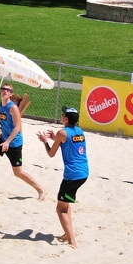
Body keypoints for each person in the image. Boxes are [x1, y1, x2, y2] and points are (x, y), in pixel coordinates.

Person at [0, 86, 46, 200]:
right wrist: (2, 135)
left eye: (8, 90)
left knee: (18, 172)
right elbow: (5, 123)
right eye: (3, 89)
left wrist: (7, 142)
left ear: (11, 94)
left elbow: (17, 128)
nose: (5, 91)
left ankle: (41, 190)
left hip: (14, 143)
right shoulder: (1, 105)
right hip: (4, 139)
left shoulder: (13, 108)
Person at [37, 106, 89, 248]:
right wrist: (56, 139)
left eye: (63, 114)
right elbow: (68, 143)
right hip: (83, 173)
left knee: (60, 208)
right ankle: (68, 233)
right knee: (66, 204)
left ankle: (72, 241)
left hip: (72, 175)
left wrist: (45, 141)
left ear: (66, 119)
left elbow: (51, 154)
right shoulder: (79, 131)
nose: (61, 115)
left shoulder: (62, 132)